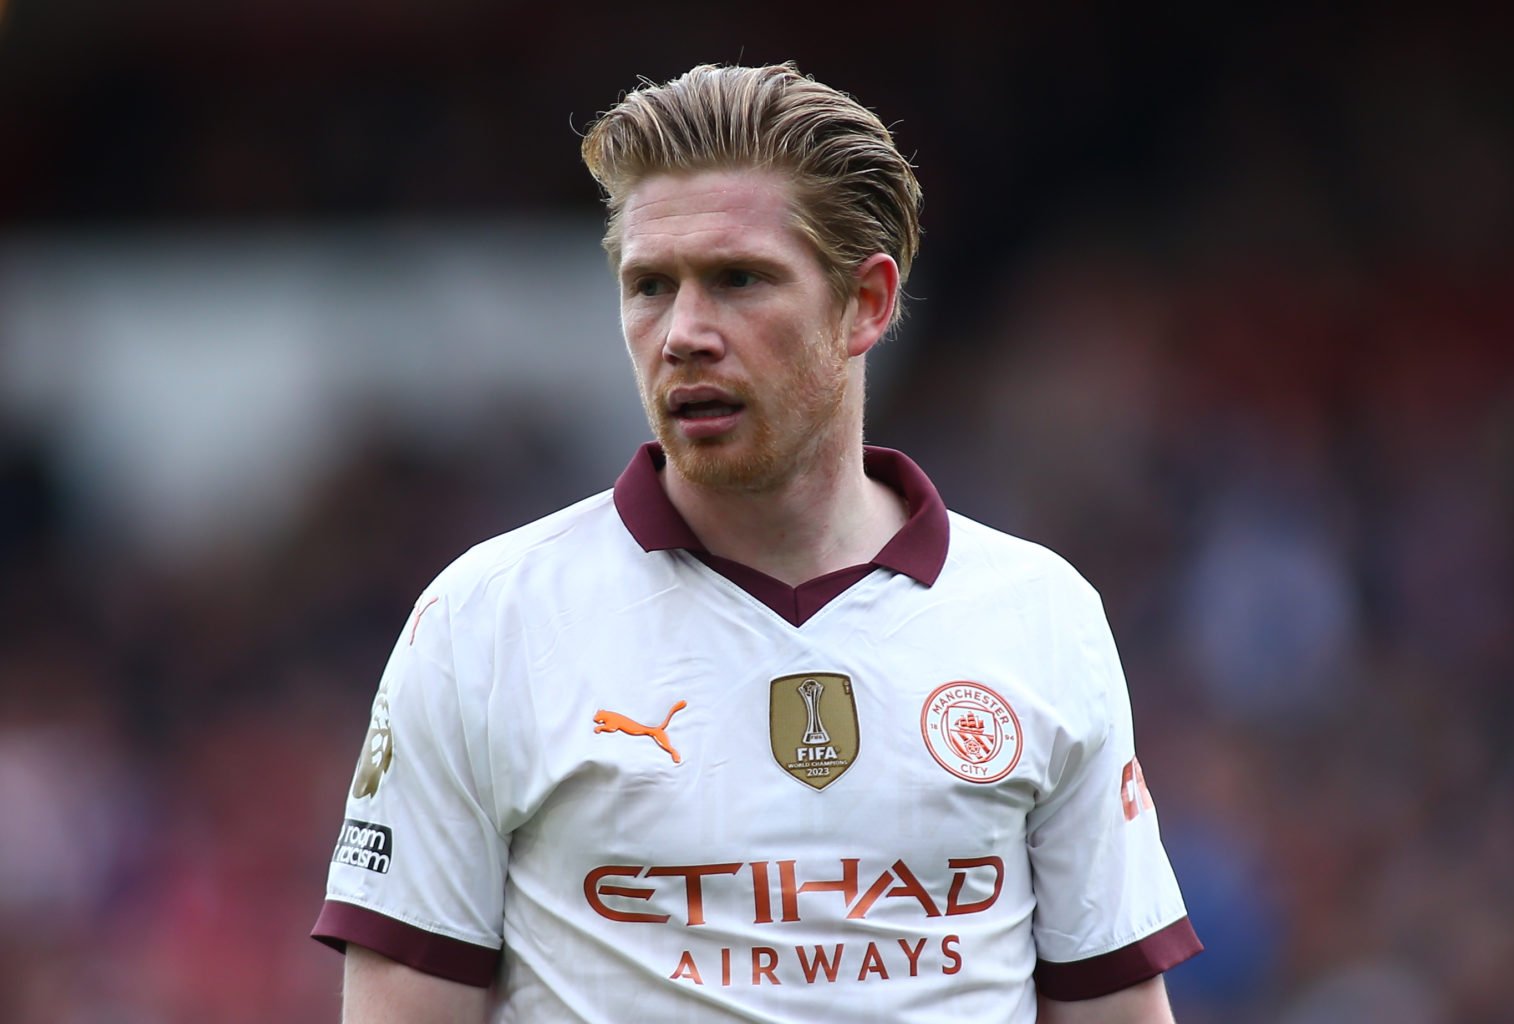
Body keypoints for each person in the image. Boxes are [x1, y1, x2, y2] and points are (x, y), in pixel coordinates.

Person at [312, 62, 1202, 1023]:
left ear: (866, 304)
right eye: (650, 286)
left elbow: (1113, 1007)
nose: (684, 332)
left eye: (738, 280)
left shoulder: (1040, 616)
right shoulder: (483, 621)